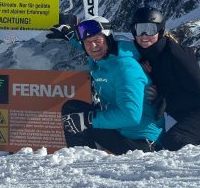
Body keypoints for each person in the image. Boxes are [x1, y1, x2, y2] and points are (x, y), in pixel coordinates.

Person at [48, 15, 163, 154]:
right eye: (87, 42)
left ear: (108, 38)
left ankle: (82, 161)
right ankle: (83, 157)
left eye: (97, 40)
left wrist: (88, 120)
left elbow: (131, 115)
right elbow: (87, 46)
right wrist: (70, 35)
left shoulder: (125, 68)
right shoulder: (104, 56)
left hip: (141, 143)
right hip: (122, 130)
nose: (93, 46)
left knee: (78, 117)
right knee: (72, 109)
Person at [129, 6, 200, 150]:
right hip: (195, 112)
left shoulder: (176, 54)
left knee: (174, 140)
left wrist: (164, 99)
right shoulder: (143, 56)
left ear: (160, 30)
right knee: (174, 141)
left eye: (150, 29)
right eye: (139, 29)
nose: (144, 35)